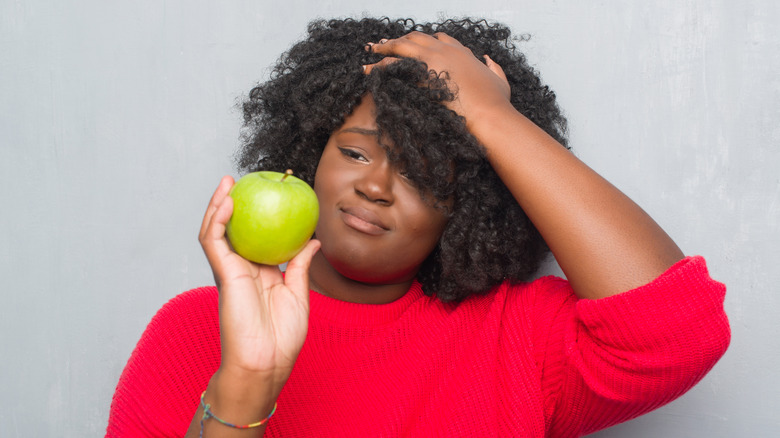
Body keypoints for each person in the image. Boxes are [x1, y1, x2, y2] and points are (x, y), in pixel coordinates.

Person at [106, 17, 730, 437]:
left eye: (423, 173)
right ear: (306, 155)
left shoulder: (515, 339)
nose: (374, 186)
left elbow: (677, 334)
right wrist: (247, 381)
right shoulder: (193, 332)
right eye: (354, 152)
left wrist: (492, 117)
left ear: (466, 208)